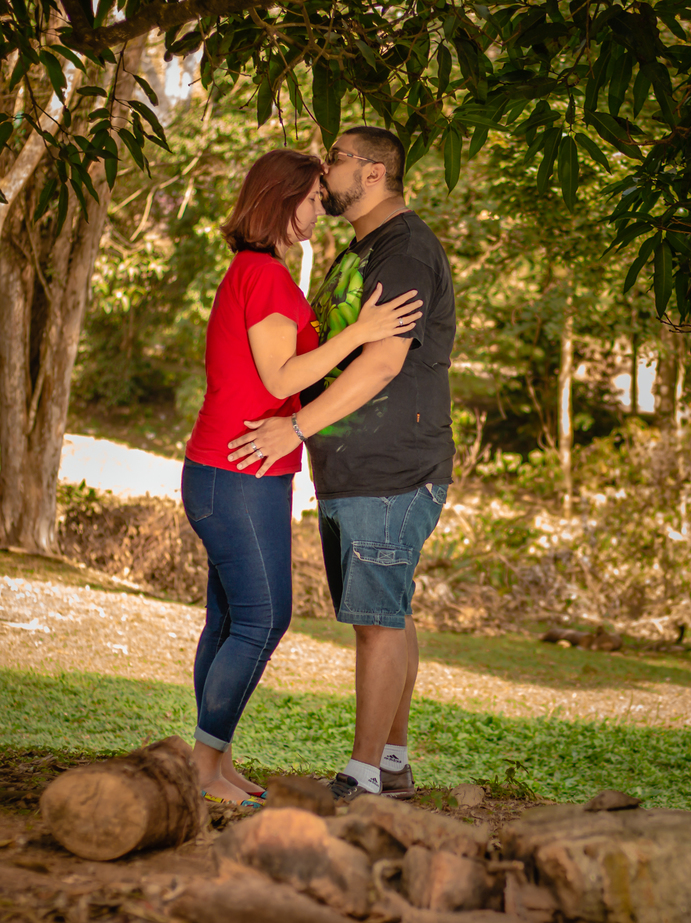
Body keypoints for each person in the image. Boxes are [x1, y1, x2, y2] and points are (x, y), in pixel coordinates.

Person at [182, 148, 423, 806]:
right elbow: (282, 378)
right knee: (263, 618)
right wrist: (364, 330)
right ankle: (203, 768)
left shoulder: (257, 272)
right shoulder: (262, 276)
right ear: (282, 200)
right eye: (314, 198)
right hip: (238, 472)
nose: (322, 209)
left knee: (232, 619)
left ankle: (214, 763)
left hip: (232, 469)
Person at [226, 126, 455, 802]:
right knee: (388, 611)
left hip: (391, 468)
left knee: (376, 621)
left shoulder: (406, 252)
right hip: (357, 467)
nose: (328, 174)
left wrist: (292, 428)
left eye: (340, 161)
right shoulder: (361, 253)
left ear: (376, 173)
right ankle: (391, 762)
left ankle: (361, 778)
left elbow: (383, 362)